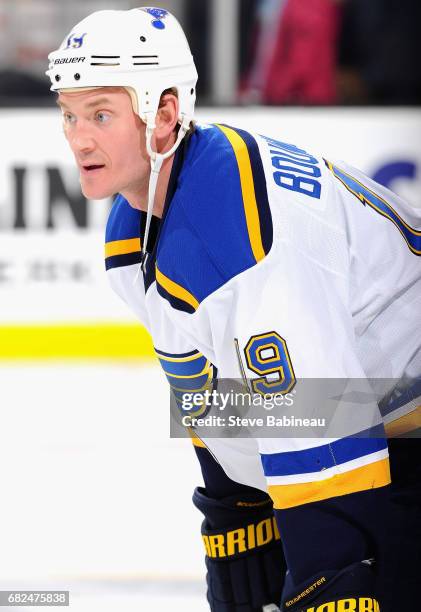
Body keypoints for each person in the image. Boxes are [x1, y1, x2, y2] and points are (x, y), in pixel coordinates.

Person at [46, 8, 421, 612]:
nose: (78, 137)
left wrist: (338, 576)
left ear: (165, 113)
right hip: (386, 424)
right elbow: (211, 391)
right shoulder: (132, 229)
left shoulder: (246, 229)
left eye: (101, 114)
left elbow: (325, 430)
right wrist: (236, 512)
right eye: (69, 114)